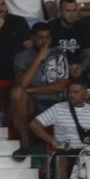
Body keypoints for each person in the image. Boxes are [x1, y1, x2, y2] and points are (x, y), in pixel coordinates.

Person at [10, 22, 72, 158]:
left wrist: (31, 90)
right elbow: (22, 84)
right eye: (40, 37)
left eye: (47, 37)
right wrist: (38, 59)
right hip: (34, 104)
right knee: (17, 92)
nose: (44, 41)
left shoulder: (59, 54)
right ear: (33, 38)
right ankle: (25, 144)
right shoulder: (22, 56)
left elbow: (61, 86)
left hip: (58, 103)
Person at [30, 80, 90, 179]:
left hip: (85, 152)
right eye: (70, 92)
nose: (71, 95)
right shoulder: (58, 108)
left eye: (76, 92)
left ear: (85, 94)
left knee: (89, 162)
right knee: (61, 161)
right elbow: (34, 124)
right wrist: (52, 141)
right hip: (65, 151)